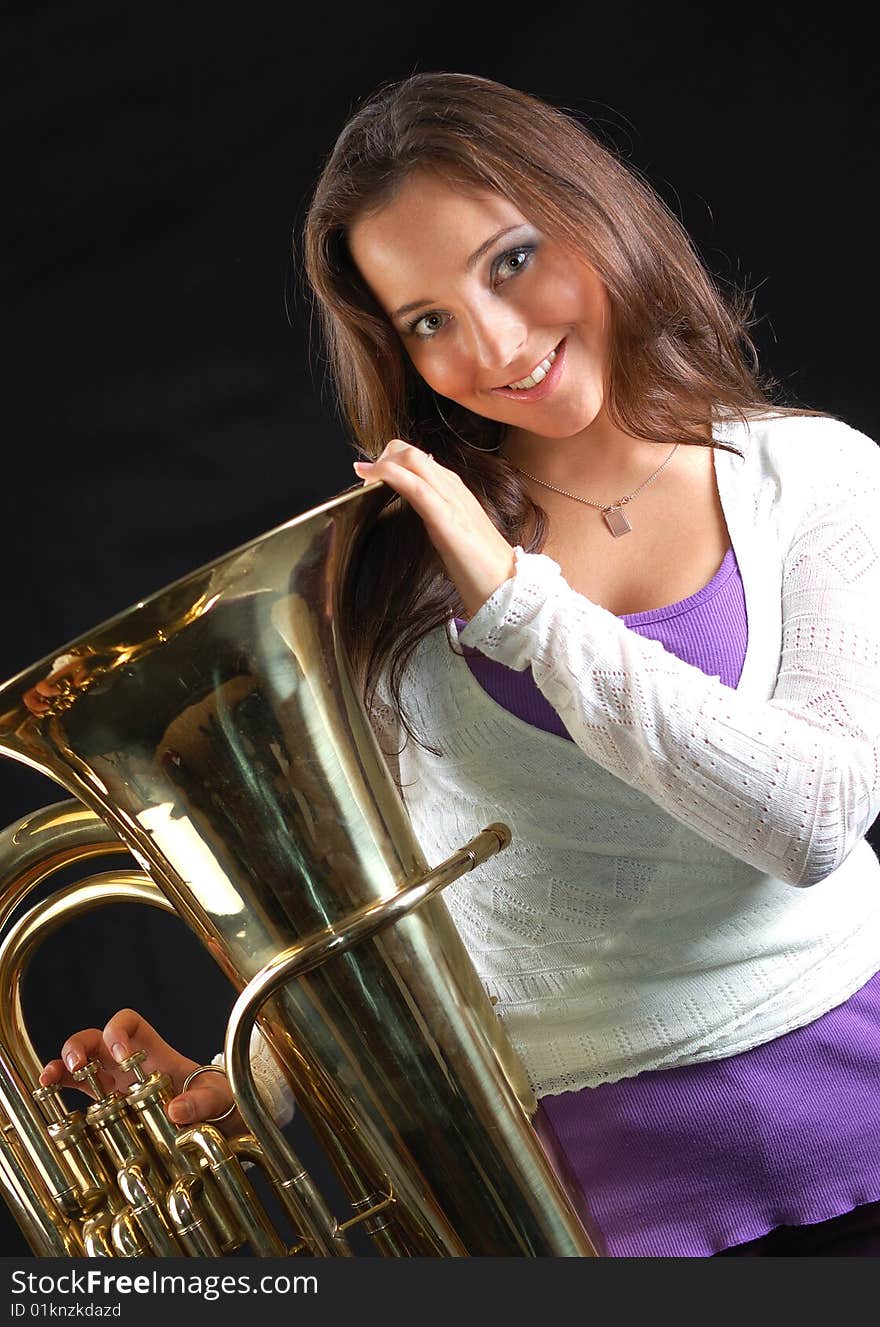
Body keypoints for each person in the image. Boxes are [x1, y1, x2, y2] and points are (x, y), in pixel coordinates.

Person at [40, 72, 880, 1258]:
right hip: (609, 1218)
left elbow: (812, 821)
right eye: (425, 319)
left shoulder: (818, 479)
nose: (493, 342)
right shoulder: (384, 573)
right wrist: (258, 1070)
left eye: (510, 261)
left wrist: (526, 608)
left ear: (600, 218)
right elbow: (409, 900)